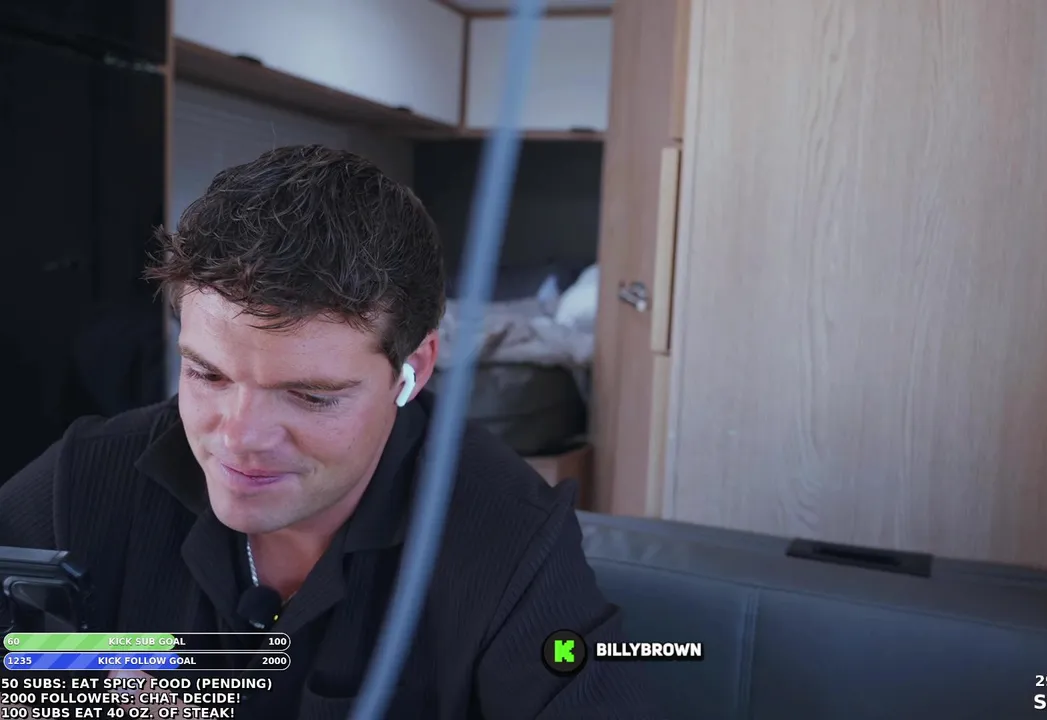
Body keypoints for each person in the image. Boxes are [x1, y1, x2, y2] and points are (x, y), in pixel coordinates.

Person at [0, 145, 659, 718]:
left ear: (413, 369)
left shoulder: (507, 538)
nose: (240, 437)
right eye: (207, 374)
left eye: (310, 396)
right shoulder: (83, 482)